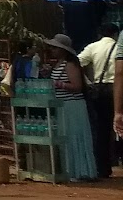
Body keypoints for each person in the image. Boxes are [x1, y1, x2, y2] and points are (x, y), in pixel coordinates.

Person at [42, 34, 98, 182]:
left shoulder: (69, 64)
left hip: (73, 106)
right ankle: (70, 170)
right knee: (65, 138)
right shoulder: (58, 65)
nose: (52, 50)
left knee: (74, 137)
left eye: (55, 48)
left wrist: (58, 84)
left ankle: (79, 171)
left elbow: (77, 86)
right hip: (63, 105)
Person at [79, 26, 116, 179]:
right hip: (118, 88)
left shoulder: (93, 47)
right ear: (116, 34)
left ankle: (103, 167)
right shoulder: (119, 48)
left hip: (100, 90)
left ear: (99, 34)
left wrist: (87, 82)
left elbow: (77, 62)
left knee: (102, 129)